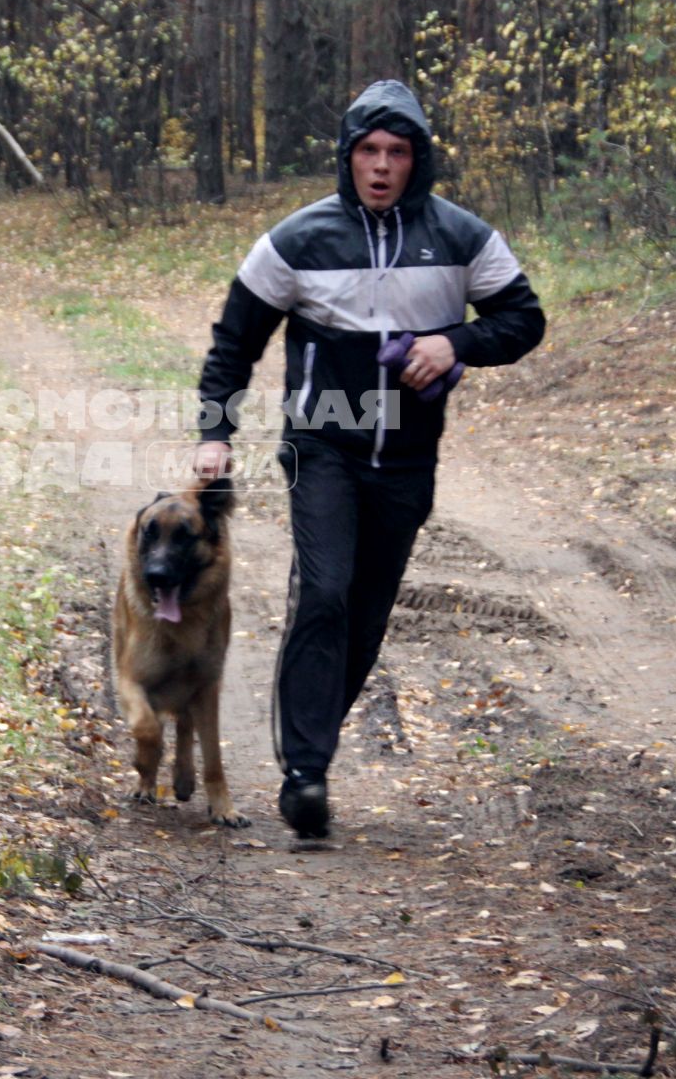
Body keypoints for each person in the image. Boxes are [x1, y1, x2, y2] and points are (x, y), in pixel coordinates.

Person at [192, 79, 545, 839]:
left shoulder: (460, 238)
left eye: (397, 152)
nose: (381, 166)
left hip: (409, 459)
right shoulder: (296, 240)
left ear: (417, 160)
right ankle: (305, 773)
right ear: (347, 158)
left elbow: (523, 319)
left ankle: (310, 738)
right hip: (322, 444)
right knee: (323, 591)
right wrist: (214, 431)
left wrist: (456, 342)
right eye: (368, 152)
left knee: (365, 614)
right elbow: (234, 341)